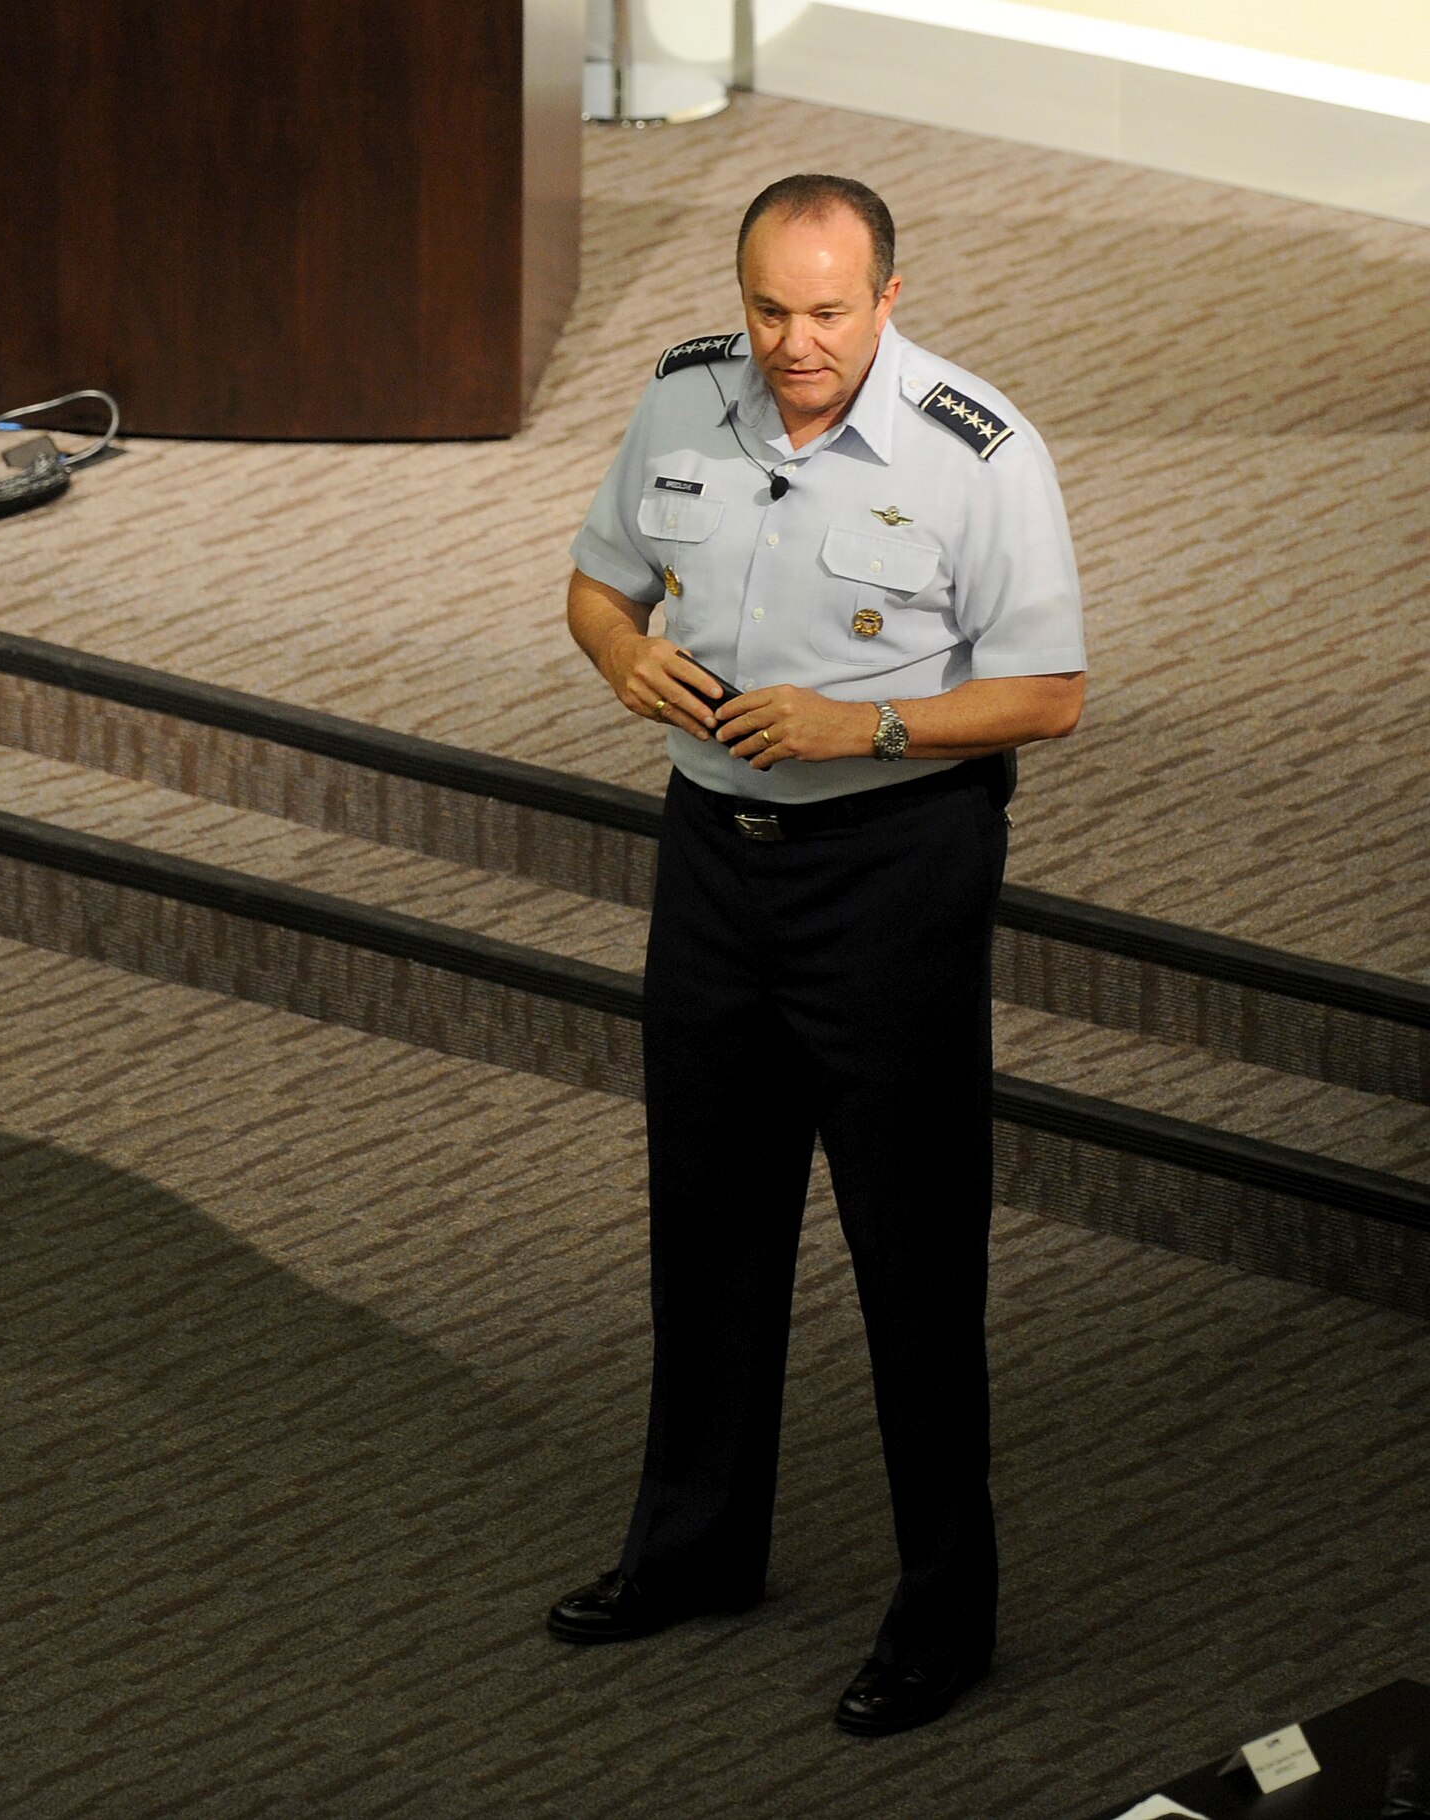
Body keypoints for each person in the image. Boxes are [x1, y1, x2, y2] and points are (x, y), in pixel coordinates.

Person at [549, 173, 1086, 1735]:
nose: (794, 344)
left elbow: (1049, 691)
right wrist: (625, 653)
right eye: (770, 310)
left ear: (889, 302)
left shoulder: (982, 453)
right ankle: (695, 1550)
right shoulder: (684, 403)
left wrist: (871, 724)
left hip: (894, 872)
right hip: (716, 860)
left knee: (914, 1253)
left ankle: (944, 1614)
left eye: (829, 313)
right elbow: (595, 587)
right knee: (707, 1222)